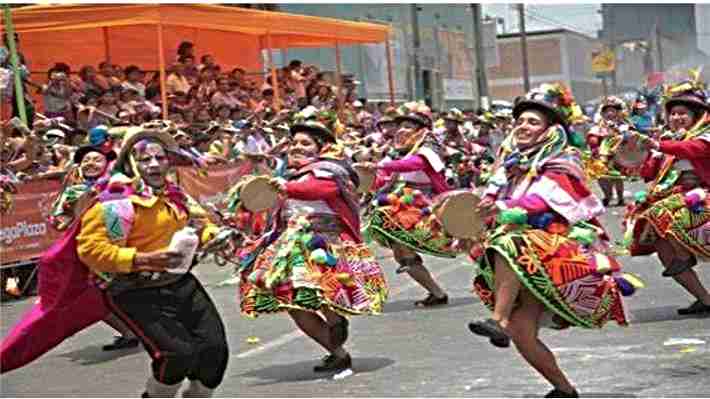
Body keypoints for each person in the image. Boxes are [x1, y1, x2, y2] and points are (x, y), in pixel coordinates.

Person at [466, 84, 639, 397]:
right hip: (528, 257)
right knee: (524, 331)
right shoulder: (511, 166)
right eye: (520, 121)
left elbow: (541, 201)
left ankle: (499, 319)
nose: (523, 126)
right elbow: (493, 198)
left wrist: (503, 209)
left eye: (533, 122)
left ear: (551, 131)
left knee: (509, 242)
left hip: (556, 248)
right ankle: (564, 389)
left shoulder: (563, 161)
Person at [232, 108, 387, 373]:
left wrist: (286, 187)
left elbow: (318, 189)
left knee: (324, 291)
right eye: (294, 143)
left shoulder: (331, 171)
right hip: (290, 245)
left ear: (321, 147)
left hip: (325, 242)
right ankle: (337, 350)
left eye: (305, 143)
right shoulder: (290, 175)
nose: (297, 147)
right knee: (289, 300)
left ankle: (335, 322)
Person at [625, 76, 710, 315]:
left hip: (702, 196)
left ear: (696, 116)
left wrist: (656, 145)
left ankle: (684, 254)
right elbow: (649, 173)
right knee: (661, 245)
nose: (677, 118)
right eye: (673, 114)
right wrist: (636, 153)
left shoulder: (705, 135)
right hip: (675, 198)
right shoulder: (666, 141)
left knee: (660, 213)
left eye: (683, 113)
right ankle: (704, 298)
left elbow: (693, 150)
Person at [362, 101, 457, 307]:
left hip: (424, 202)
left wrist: (380, 164)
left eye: (407, 127)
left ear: (421, 130)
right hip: (401, 199)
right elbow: (385, 179)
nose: (401, 131)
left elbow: (415, 164)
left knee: (472, 246)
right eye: (400, 127)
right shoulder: (400, 151)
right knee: (402, 254)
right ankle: (437, 293)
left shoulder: (429, 147)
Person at [585, 96, 636, 206]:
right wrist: (595, 146)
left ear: (617, 112)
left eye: (612, 111)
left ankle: (620, 197)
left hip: (617, 155)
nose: (610, 113)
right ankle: (607, 196)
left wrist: (618, 132)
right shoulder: (598, 127)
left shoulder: (623, 125)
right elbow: (592, 138)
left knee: (617, 177)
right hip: (601, 155)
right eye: (607, 111)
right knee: (601, 177)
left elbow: (629, 136)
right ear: (603, 113)